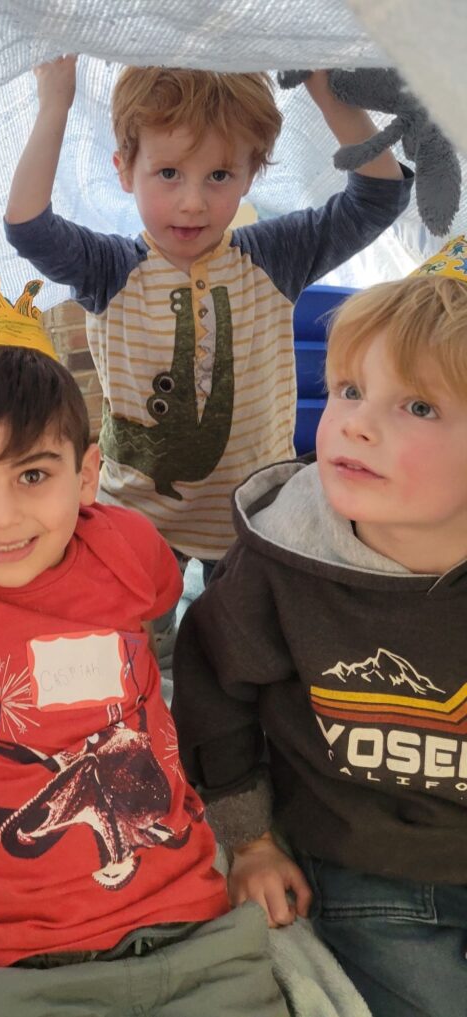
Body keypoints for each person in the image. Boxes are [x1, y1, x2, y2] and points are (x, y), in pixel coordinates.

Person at [0, 280, 288, 1016]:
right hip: (26, 958)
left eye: (33, 474)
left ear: (87, 474)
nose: (3, 518)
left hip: (191, 922)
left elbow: (155, 622)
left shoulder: (129, 545)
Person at [170, 237, 467, 1017]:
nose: (354, 425)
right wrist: (252, 841)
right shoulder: (280, 559)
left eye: (418, 405)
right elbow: (212, 692)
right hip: (371, 859)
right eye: (346, 389)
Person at [4, 58, 411, 588]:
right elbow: (28, 226)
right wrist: (54, 102)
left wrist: (324, 85)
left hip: (256, 514)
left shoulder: (274, 256)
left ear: (251, 175)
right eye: (168, 173)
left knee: (238, 654)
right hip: (137, 519)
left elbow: (380, 194)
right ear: (125, 169)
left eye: (219, 175)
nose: (192, 203)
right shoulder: (108, 269)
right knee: (139, 652)